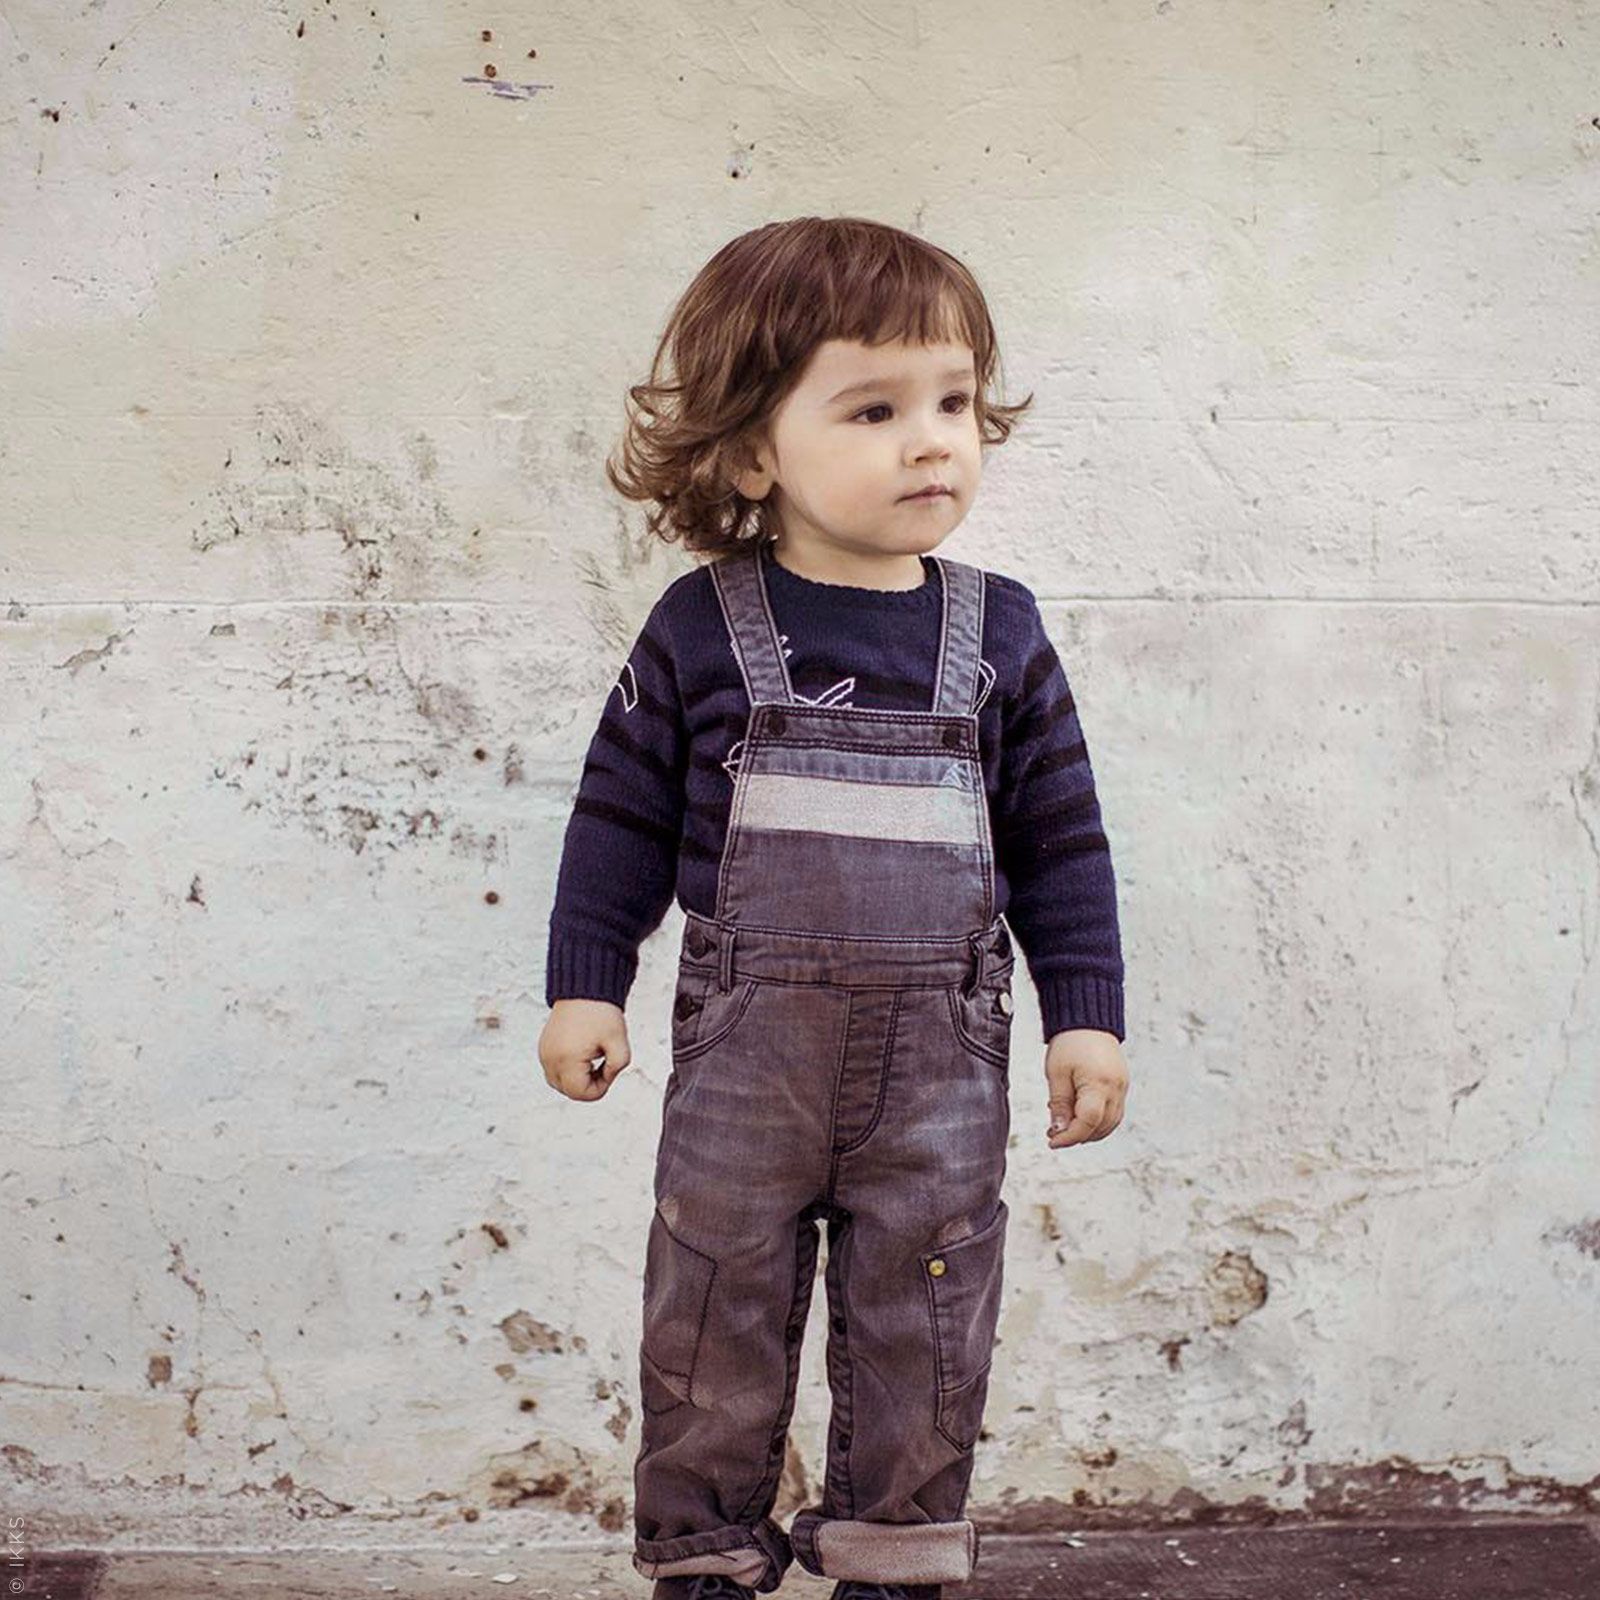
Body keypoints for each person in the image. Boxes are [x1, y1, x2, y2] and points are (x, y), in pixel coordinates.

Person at [538, 216, 1129, 1600]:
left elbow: (1062, 845)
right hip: (748, 1067)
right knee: (712, 1308)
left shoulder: (1003, 634)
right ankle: (703, 1553)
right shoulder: (700, 627)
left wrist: (1085, 1019)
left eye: (953, 403)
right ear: (755, 452)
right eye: (875, 411)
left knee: (928, 1316)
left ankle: (896, 1557)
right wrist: (585, 984)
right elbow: (616, 818)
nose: (932, 443)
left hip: (941, 1075)